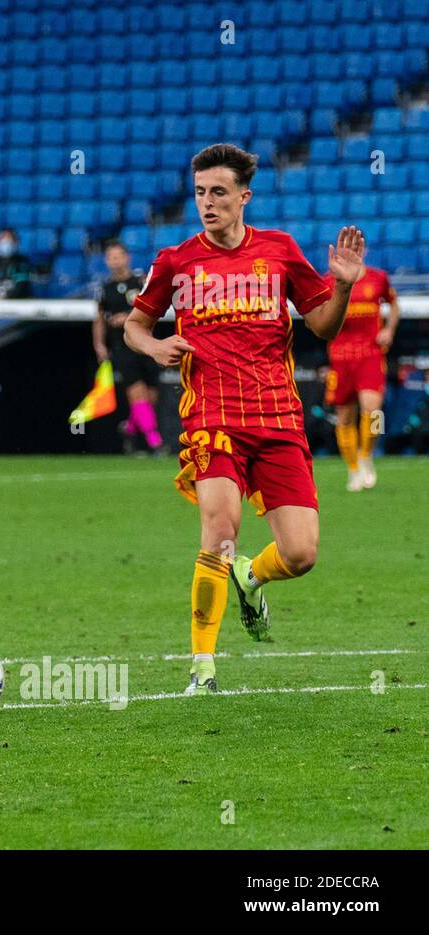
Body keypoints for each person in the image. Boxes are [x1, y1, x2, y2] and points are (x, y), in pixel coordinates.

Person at [122, 143, 365, 694]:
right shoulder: (176, 260)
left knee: (301, 554)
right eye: (201, 193)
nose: (207, 203)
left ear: (244, 196)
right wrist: (152, 344)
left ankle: (252, 577)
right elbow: (134, 326)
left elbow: (323, 326)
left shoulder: (279, 251)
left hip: (278, 415)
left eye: (219, 193)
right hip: (211, 415)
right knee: (220, 531)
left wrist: (344, 284)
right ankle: (202, 668)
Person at [324, 265, 399, 491]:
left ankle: (366, 454)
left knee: (374, 412)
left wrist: (389, 330)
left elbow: (394, 305)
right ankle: (353, 467)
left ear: (362, 249)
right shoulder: (329, 282)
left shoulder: (379, 277)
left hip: (371, 354)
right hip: (341, 356)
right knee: (344, 418)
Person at [94, 241, 165, 455]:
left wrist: (130, 318)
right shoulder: (104, 289)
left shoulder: (140, 282)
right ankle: (156, 443)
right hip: (121, 346)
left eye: (118, 256)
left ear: (127, 258)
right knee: (137, 394)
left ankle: (129, 428)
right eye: (111, 257)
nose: (115, 261)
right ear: (106, 261)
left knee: (151, 398)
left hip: (145, 343)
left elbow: (155, 307)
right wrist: (99, 344)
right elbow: (98, 319)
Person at [0, 228, 34, 300]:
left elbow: (21, 287)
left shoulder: (22, 262)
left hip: (17, 303)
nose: (5, 243)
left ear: (16, 242)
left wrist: (5, 297)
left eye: (8, 240)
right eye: (2, 239)